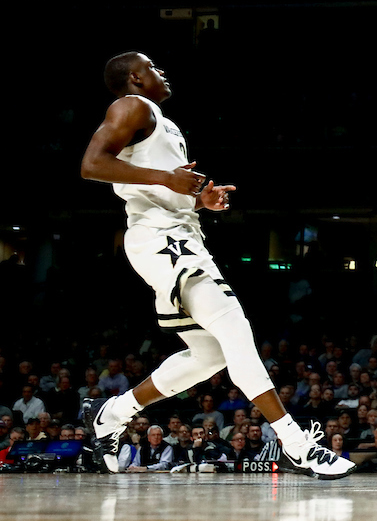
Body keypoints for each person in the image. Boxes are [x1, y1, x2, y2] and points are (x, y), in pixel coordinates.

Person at [79, 52, 352, 479]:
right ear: (135, 76)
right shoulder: (130, 105)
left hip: (179, 233)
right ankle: (297, 444)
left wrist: (197, 198)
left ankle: (112, 412)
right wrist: (168, 180)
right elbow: (91, 165)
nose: (161, 71)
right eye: (153, 67)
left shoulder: (158, 121)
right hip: (160, 236)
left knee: (209, 355)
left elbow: (160, 181)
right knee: (234, 329)